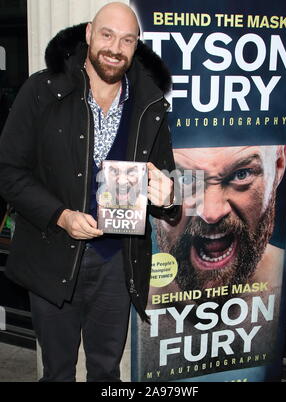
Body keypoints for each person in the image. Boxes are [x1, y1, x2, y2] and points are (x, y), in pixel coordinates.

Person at [0, 2, 180, 382]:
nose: (115, 48)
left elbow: (166, 180)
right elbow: (8, 172)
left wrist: (168, 197)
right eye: (107, 34)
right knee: (58, 372)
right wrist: (60, 216)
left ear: (136, 46)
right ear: (88, 34)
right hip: (52, 256)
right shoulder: (42, 91)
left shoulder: (150, 106)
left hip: (117, 264)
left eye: (127, 40)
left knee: (106, 371)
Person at [138, 145, 286, 381]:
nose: (211, 212)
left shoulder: (285, 289)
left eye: (242, 174)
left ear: (278, 165)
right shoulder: (136, 302)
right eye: (184, 178)